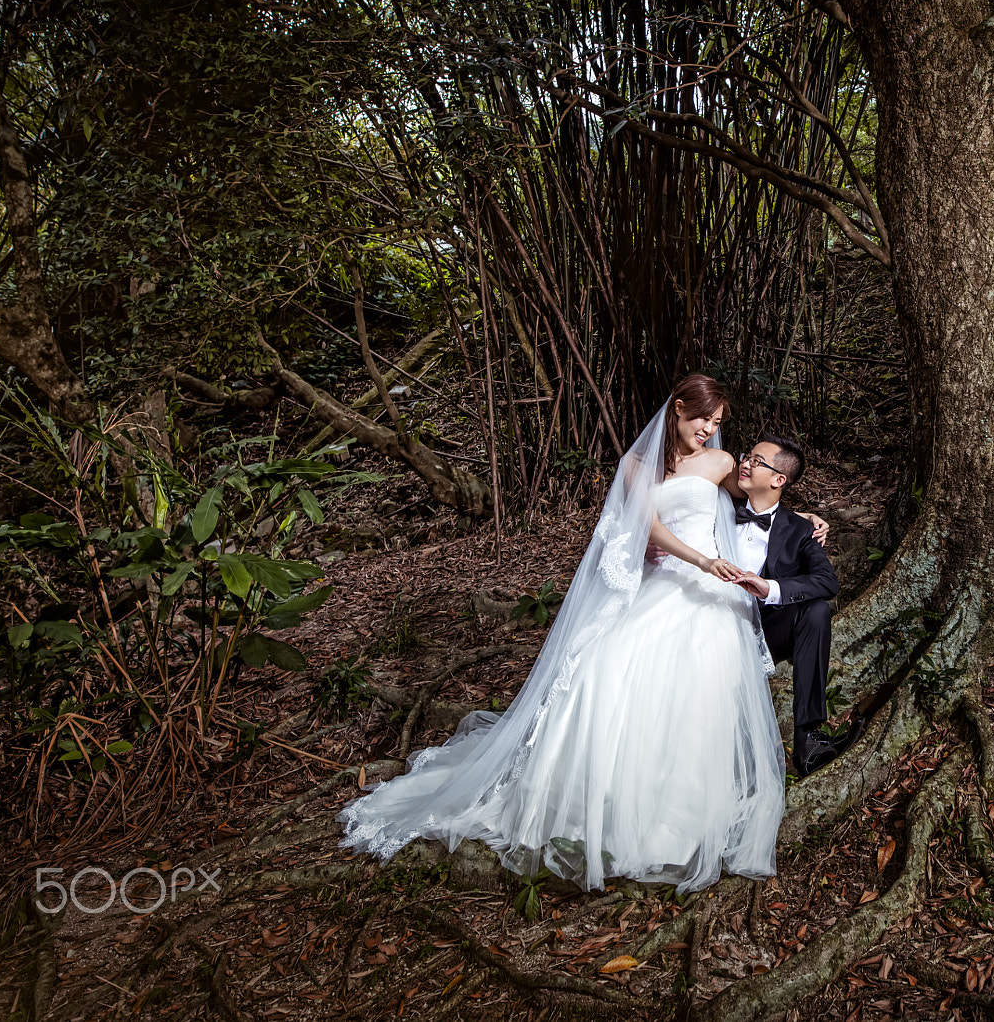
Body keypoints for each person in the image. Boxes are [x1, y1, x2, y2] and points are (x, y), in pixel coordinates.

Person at [338, 374, 786, 893]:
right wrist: (701, 559)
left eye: (717, 423)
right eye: (701, 420)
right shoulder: (637, 465)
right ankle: (597, 806)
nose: (708, 431)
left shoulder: (723, 462)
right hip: (670, 576)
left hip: (710, 596)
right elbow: (648, 527)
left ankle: (676, 817)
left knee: (692, 681)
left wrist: (804, 519)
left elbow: (757, 504)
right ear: (678, 410)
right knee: (604, 669)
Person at [721, 434, 848, 777]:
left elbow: (827, 582)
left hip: (763, 629)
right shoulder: (716, 507)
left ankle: (808, 738)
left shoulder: (799, 529)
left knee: (817, 610)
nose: (745, 463)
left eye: (756, 461)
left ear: (779, 480)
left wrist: (770, 588)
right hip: (710, 621)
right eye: (746, 455)